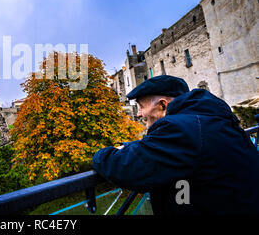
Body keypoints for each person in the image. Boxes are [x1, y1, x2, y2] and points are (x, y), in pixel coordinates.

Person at [92, 75, 259, 215]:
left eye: (141, 106)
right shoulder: (209, 119)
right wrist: (131, 146)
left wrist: (101, 154)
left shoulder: (178, 130)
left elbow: (126, 168)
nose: (139, 113)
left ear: (163, 105)